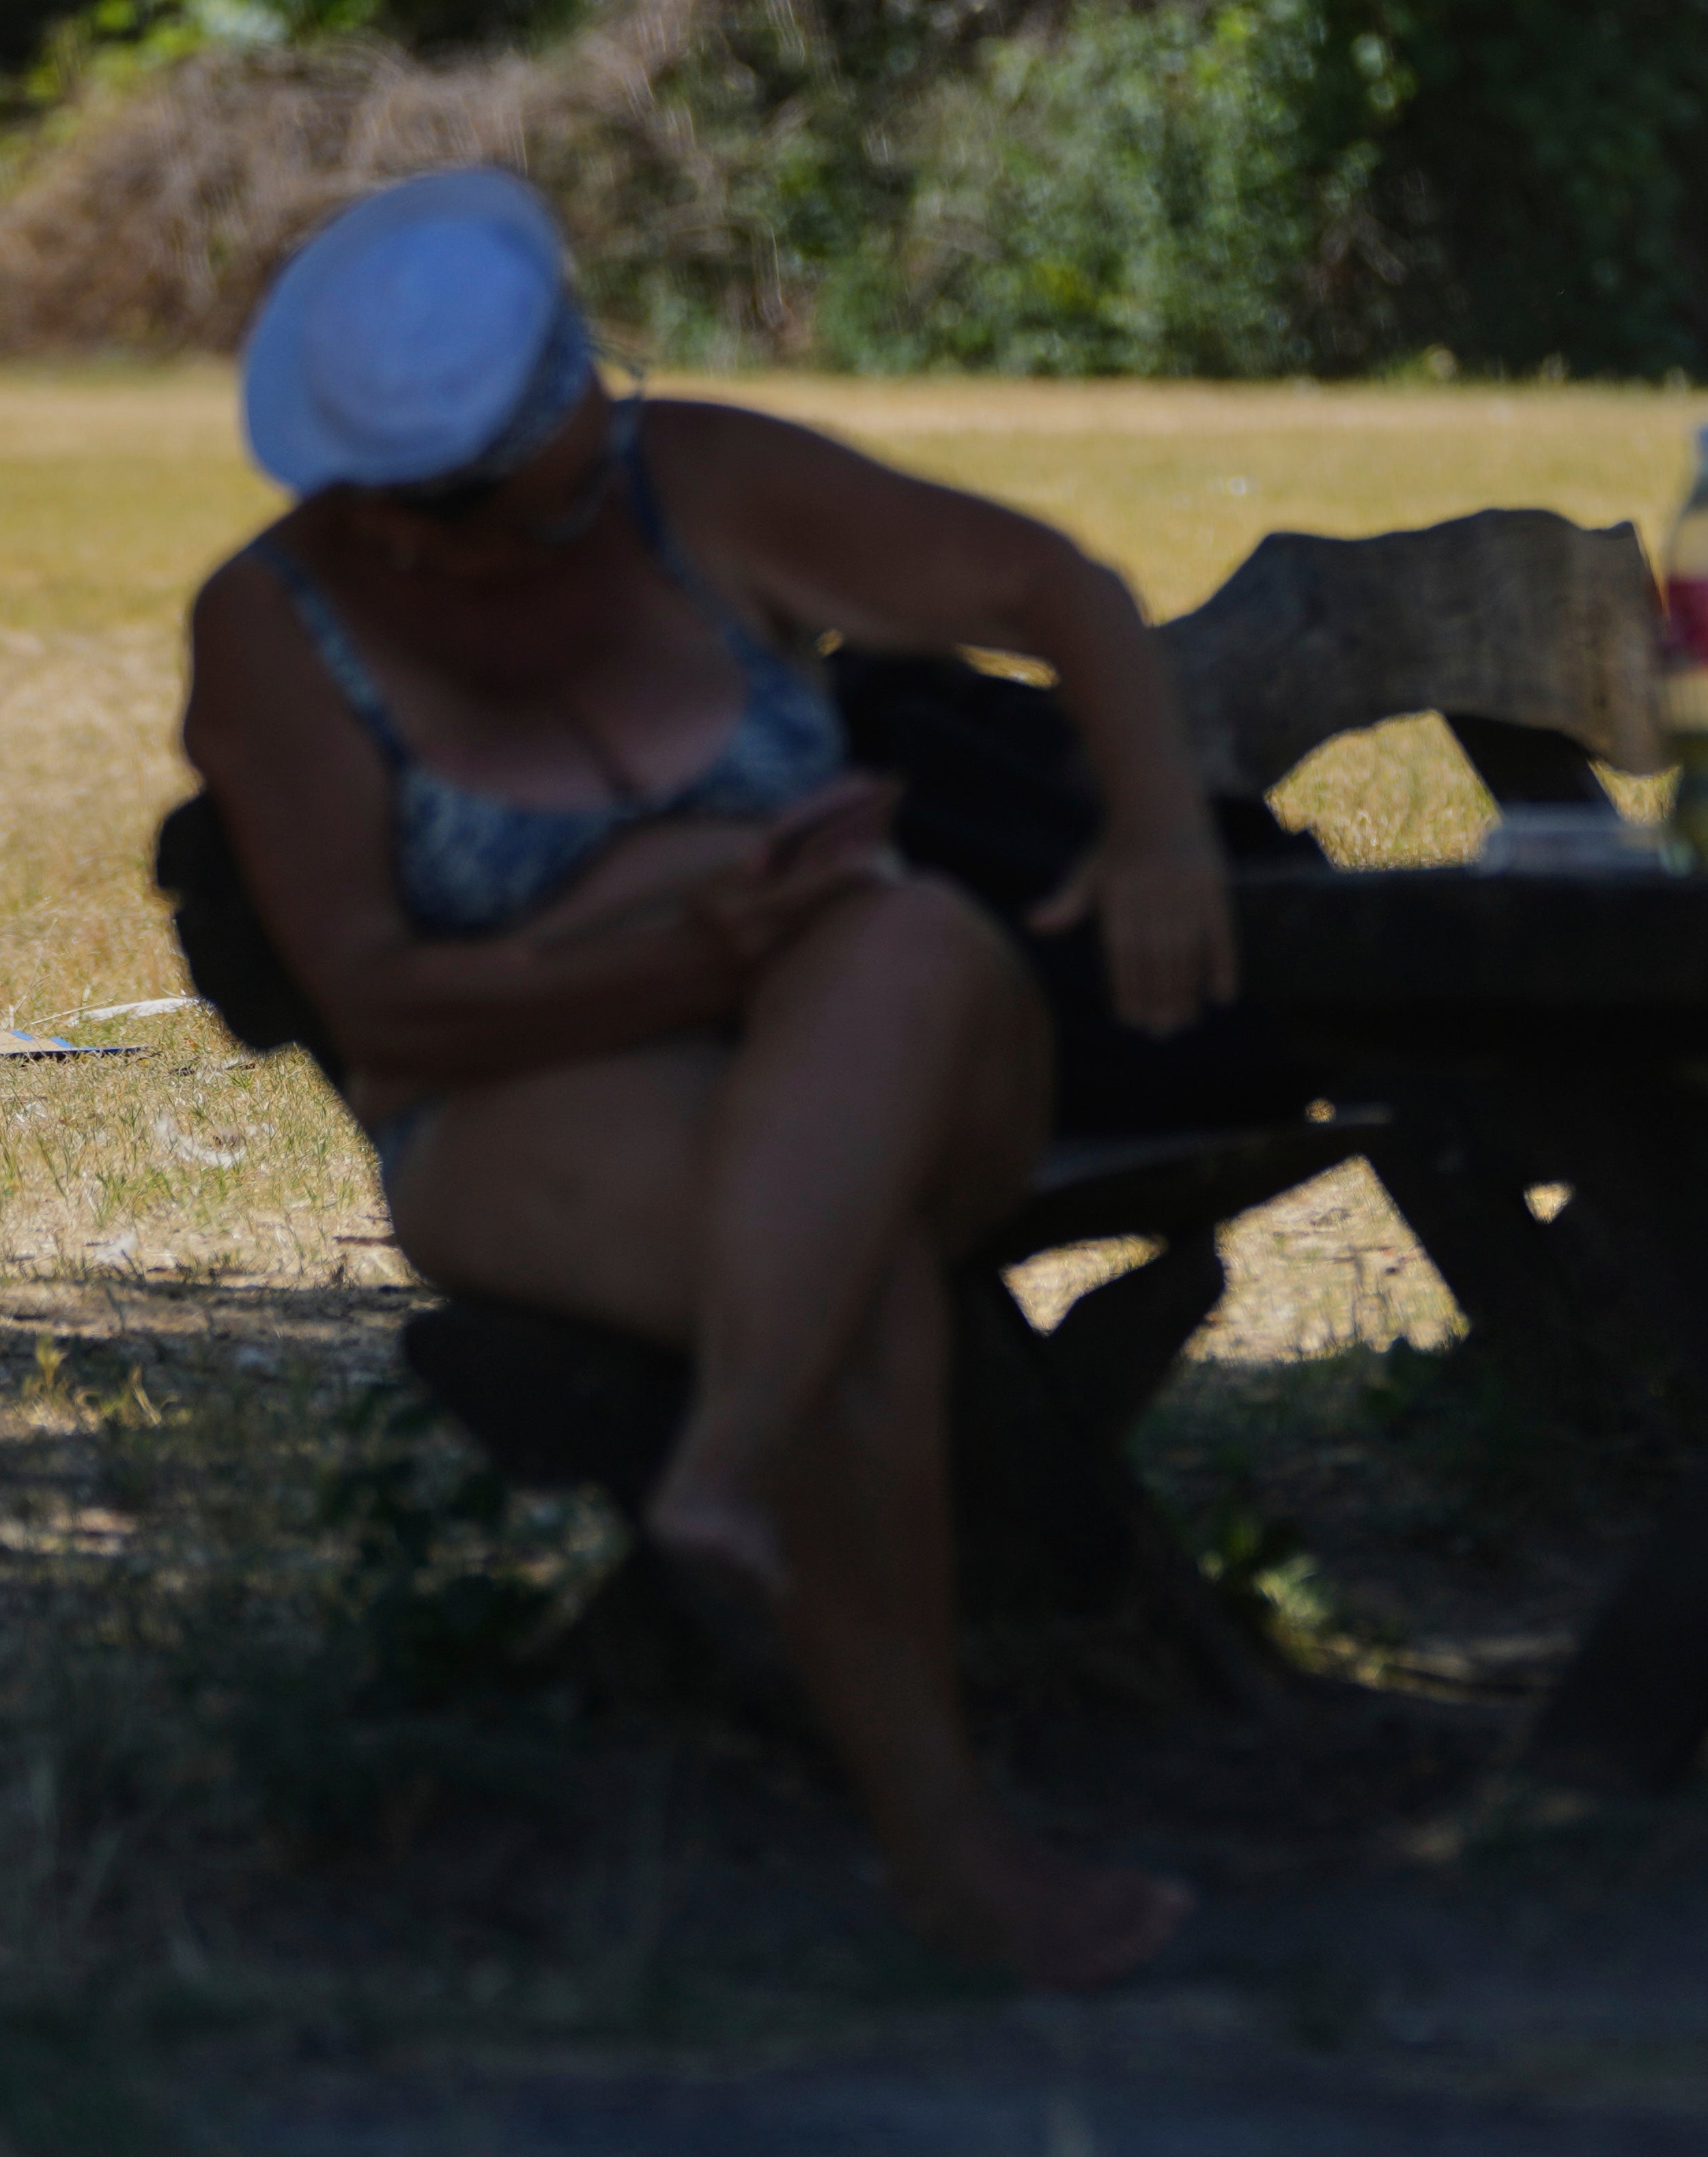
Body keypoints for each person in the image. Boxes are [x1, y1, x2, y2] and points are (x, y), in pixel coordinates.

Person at [180, 170, 1234, 1988]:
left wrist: (1158, 828)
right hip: (516, 1104)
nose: (458, 533)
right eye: (425, 501)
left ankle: (723, 1463)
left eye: (531, 460)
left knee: (893, 943)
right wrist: (681, 956)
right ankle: (950, 1853)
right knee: (855, 1283)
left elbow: (1052, 582)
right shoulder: (275, 628)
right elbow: (385, 1011)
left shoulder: (705, 483)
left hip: (888, 1038)